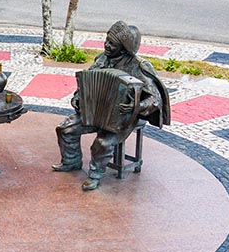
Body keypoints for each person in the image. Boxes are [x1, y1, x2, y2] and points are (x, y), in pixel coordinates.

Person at [52, 21, 170, 191]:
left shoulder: (138, 66)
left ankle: (95, 175)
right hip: (96, 113)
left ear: (123, 48)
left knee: (103, 142)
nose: (106, 45)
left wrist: (136, 107)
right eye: (106, 40)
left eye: (112, 43)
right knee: (66, 128)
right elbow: (86, 83)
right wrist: (78, 98)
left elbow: (155, 99)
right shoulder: (102, 59)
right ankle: (71, 161)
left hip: (126, 117)